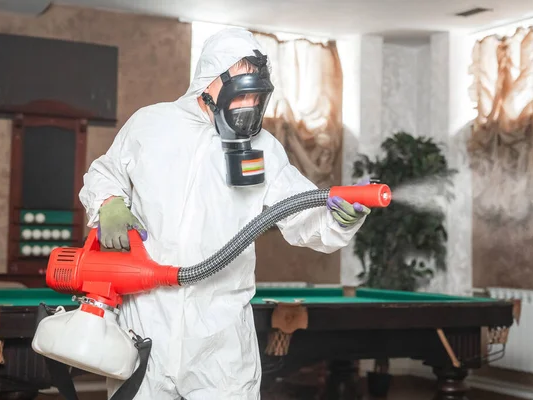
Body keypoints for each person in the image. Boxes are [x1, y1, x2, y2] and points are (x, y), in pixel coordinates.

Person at [78, 27, 370, 400]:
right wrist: (109, 203)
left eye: (255, 95)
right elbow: (106, 173)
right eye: (241, 93)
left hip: (220, 337)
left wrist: (338, 219)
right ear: (209, 82)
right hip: (146, 323)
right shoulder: (151, 125)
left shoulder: (262, 148)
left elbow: (302, 212)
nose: (248, 104)